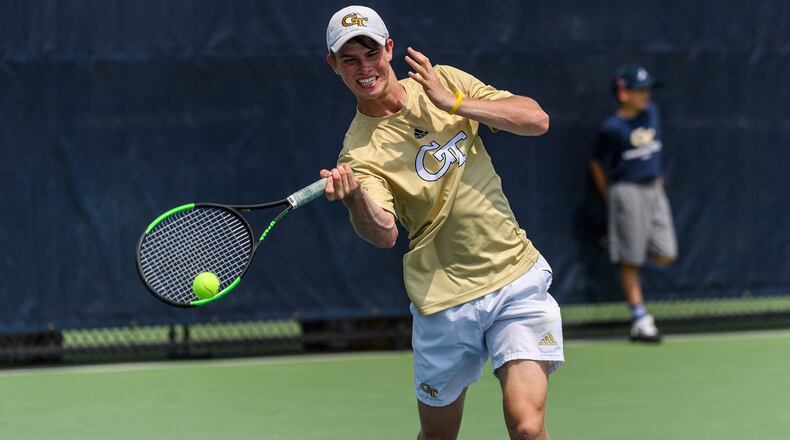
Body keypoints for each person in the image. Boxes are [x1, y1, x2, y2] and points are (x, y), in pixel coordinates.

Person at [320, 5, 563, 440]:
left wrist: (454, 103)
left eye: (371, 52)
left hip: (515, 279)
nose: (364, 68)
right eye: (350, 58)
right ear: (333, 65)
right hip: (445, 302)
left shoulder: (444, 80)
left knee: (527, 427)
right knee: (438, 436)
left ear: (389, 49)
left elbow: (536, 120)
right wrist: (355, 196)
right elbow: (384, 233)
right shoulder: (358, 153)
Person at [589, 65, 678, 343]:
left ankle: (621, 240)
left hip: (653, 189)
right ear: (623, 92)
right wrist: (612, 196)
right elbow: (597, 163)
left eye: (648, 89)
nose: (646, 95)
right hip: (625, 192)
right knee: (631, 261)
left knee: (666, 253)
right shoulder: (612, 128)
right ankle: (640, 320)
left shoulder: (653, 113)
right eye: (640, 90)